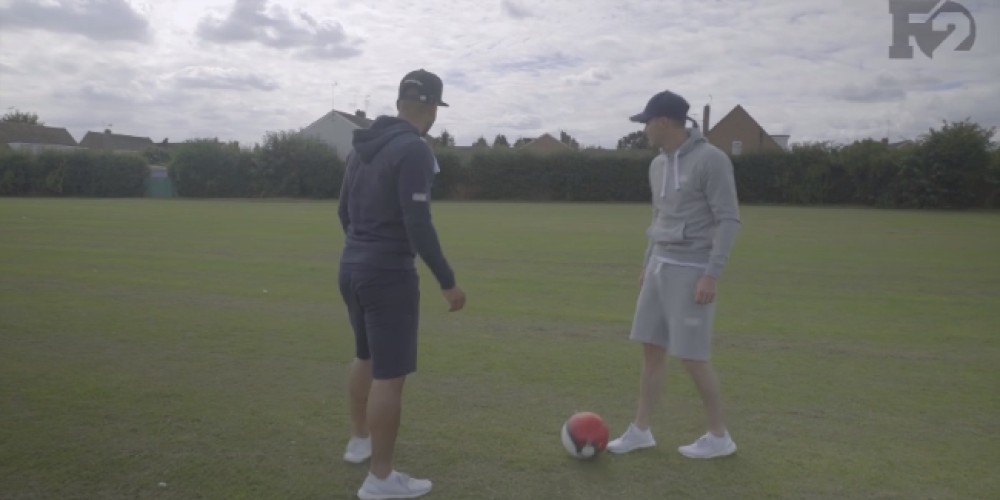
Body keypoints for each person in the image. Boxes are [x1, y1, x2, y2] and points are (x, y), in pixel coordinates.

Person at [337, 68, 466, 500]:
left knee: (365, 356)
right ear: (431, 108)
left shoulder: (362, 146)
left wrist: (361, 250)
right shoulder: (412, 149)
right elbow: (418, 223)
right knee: (390, 376)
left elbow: (343, 211)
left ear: (398, 103)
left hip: (352, 264)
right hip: (387, 272)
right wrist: (448, 282)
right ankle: (381, 478)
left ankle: (360, 441)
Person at [607, 90, 742, 459]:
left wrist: (711, 274)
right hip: (659, 268)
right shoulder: (657, 165)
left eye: (647, 123)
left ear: (663, 122)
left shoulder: (711, 160)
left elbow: (729, 219)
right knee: (652, 349)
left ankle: (719, 437)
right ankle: (641, 431)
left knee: (692, 356)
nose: (644, 130)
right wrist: (647, 262)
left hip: (693, 269)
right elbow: (659, 218)